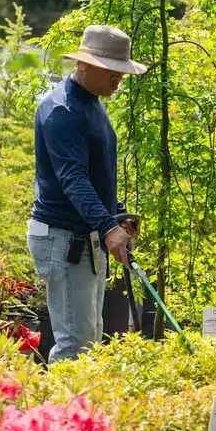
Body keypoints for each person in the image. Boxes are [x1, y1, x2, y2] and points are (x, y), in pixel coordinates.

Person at [29, 25, 146, 361]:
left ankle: (81, 413)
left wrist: (116, 215)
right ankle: (58, 414)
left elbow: (94, 174)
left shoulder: (91, 103)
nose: (117, 79)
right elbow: (73, 179)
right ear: (84, 64)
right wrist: (108, 226)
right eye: (110, 70)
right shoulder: (62, 111)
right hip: (63, 237)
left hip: (84, 234)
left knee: (90, 340)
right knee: (75, 344)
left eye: (121, 72)